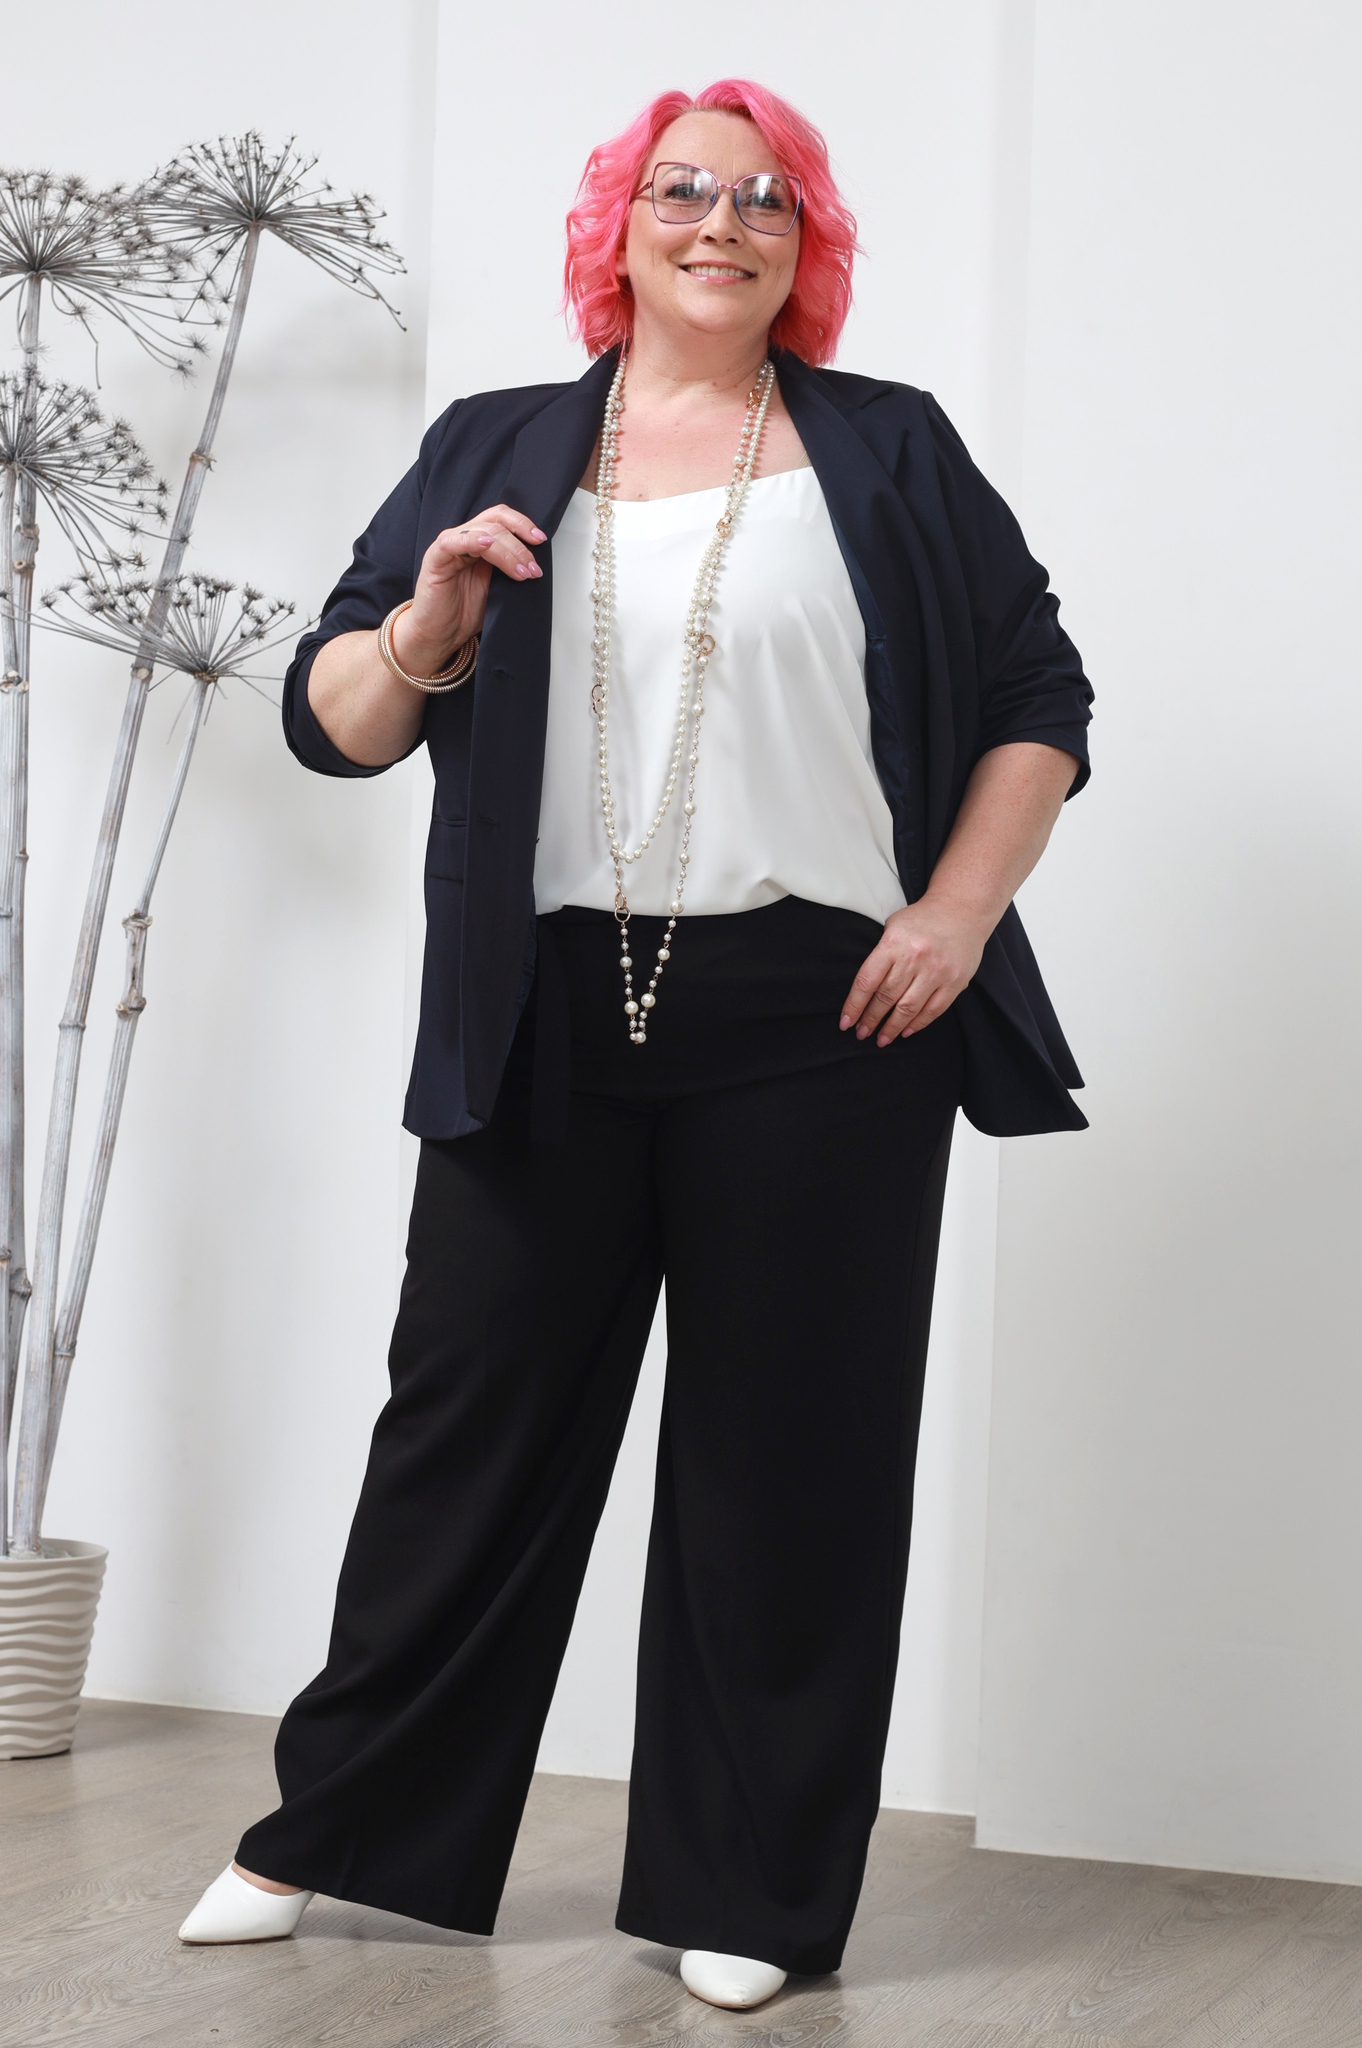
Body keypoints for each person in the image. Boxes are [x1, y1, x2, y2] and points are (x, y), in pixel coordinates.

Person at [176, 78, 1093, 2012]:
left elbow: (1036, 693)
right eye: (682, 190)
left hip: (824, 1013)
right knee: (466, 1428)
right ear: (619, 227)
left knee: (789, 1457)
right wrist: (426, 628)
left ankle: (747, 1886)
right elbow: (336, 723)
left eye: (765, 200)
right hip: (545, 1009)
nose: (720, 223)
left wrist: (953, 912)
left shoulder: (888, 447)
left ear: (803, 245)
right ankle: (336, 1829)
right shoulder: (493, 441)